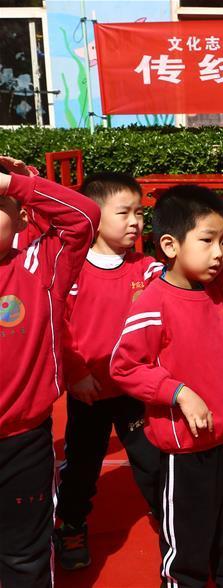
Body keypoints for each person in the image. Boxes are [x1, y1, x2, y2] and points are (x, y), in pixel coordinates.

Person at [110, 185, 223, 587]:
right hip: (185, 450)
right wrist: (178, 392)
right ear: (169, 245)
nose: (219, 252)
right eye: (207, 240)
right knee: (188, 545)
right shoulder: (154, 302)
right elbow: (124, 365)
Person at [54, 172, 164, 571]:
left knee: (152, 460)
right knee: (83, 465)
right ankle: (70, 524)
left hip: (134, 390)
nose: (136, 221)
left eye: (140, 212)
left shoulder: (147, 267)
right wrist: (76, 373)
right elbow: (60, 328)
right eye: (125, 212)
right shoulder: (71, 269)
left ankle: (168, 515)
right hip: (89, 391)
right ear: (94, 218)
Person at [0, 156, 100, 587]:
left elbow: (83, 217)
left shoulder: (39, 266)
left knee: (24, 556)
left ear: (20, 213)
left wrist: (16, 182)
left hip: (21, 444)